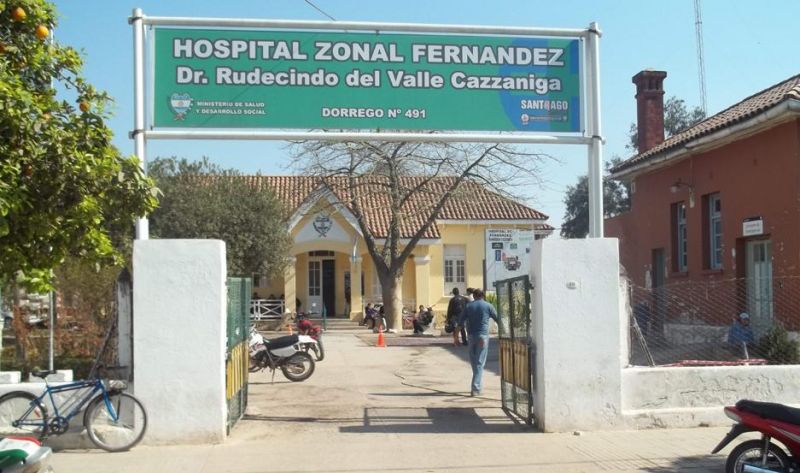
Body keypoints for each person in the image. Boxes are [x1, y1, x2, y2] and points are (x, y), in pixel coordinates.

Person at [457, 288, 498, 396]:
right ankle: (476, 388)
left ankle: (477, 385)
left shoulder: (468, 306)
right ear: (483, 296)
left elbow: (460, 323)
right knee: (479, 362)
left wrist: (456, 337)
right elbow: (498, 319)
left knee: (474, 362)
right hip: (482, 337)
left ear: (474, 296)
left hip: (471, 337)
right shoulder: (488, 306)